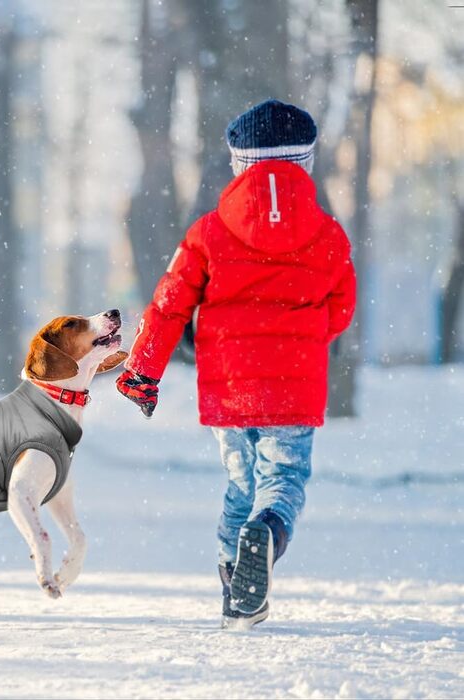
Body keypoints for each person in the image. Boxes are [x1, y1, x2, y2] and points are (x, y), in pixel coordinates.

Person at [116, 99, 356, 628]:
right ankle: (265, 535)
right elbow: (341, 308)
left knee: (239, 483)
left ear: (239, 165)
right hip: (295, 385)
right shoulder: (328, 235)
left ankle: (234, 582)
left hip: (229, 385)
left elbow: (169, 303)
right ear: (306, 163)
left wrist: (142, 372)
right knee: (282, 479)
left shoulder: (208, 233)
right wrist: (306, 339)